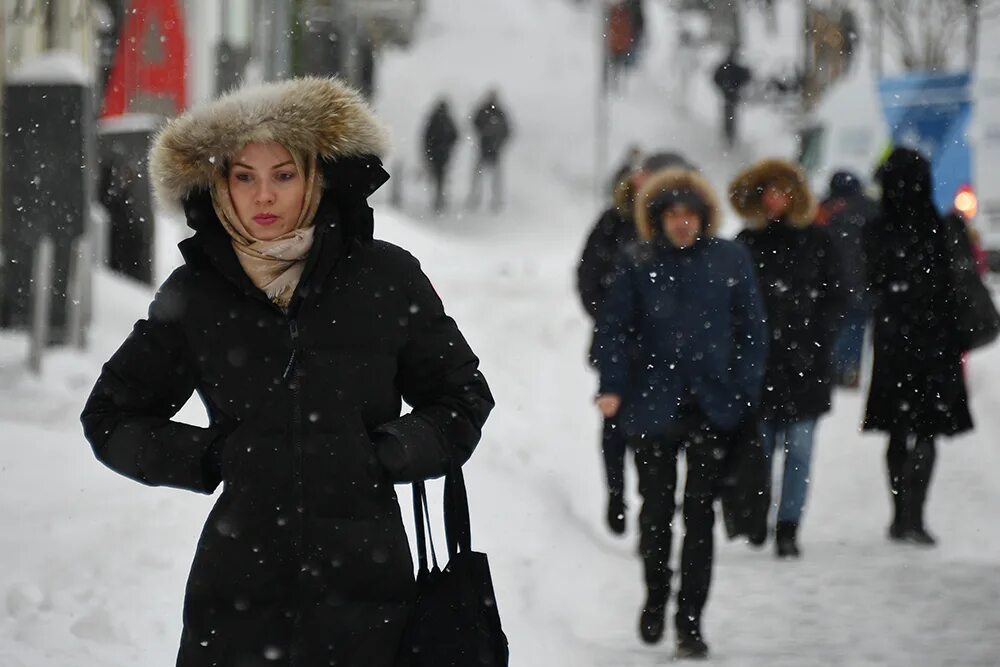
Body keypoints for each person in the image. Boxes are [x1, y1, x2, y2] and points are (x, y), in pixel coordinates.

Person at [80, 77, 495, 666]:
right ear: (219, 185)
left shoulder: (386, 278)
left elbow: (462, 395)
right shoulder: (196, 296)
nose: (263, 196)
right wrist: (209, 457)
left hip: (369, 595)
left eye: (283, 174)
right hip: (237, 599)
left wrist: (394, 451)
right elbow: (109, 416)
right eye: (243, 176)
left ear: (316, 177)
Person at [594, 168, 767, 659]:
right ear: (658, 219)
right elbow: (614, 330)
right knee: (656, 513)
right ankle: (655, 595)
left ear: (704, 217)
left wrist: (743, 391)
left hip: (713, 408)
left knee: (700, 516)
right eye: (672, 216)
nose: (682, 224)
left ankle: (690, 620)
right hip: (653, 409)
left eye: (690, 215)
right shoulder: (637, 262)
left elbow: (753, 330)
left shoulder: (730, 259)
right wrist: (613, 386)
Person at [730, 158, 846, 558]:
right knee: (760, 449)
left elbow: (838, 298)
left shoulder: (818, 241)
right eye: (768, 192)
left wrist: (816, 340)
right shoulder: (745, 244)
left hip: (806, 367)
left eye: (782, 191)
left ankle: (789, 526)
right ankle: (757, 516)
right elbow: (731, 304)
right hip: (760, 368)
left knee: (799, 450)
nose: (776, 199)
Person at [577, 151, 695, 536]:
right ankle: (616, 492)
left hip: (664, 351)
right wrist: (612, 315)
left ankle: (655, 495)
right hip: (617, 345)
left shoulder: (674, 226)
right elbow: (588, 273)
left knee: (661, 425)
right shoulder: (613, 222)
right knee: (613, 420)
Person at [864, 147, 973, 546]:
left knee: (897, 430)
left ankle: (898, 515)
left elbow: (870, 283)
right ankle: (916, 516)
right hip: (936, 340)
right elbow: (958, 284)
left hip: (894, 341)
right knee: (928, 430)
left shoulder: (877, 231)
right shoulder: (942, 227)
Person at [815, 170, 879, 388]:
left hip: (831, 282)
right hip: (862, 282)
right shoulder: (870, 208)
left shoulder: (823, 209)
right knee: (856, 326)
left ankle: (832, 368)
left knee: (834, 326)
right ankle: (850, 370)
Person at [468, 89, 512, 212]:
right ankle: (478, 198)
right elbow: (474, 122)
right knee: (483, 176)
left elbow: (507, 130)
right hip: (486, 148)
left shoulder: (495, 112)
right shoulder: (490, 111)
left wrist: (497, 141)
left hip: (492, 149)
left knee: (491, 177)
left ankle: (492, 200)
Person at [422, 97, 459, 213]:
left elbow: (427, 137)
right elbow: (455, 135)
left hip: (437, 153)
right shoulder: (446, 120)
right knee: (440, 177)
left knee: (437, 177)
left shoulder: (434, 119)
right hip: (442, 154)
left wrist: (429, 150)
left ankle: (438, 198)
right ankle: (439, 198)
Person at [712, 45, 752, 147]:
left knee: (729, 115)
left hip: (730, 95)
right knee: (730, 115)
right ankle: (729, 135)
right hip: (731, 95)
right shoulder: (732, 67)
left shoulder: (727, 67)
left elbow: (716, 77)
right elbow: (745, 77)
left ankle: (729, 134)